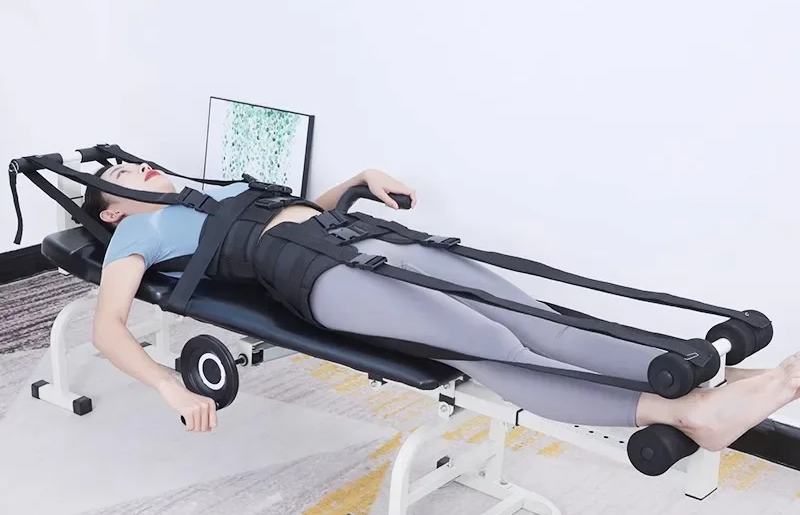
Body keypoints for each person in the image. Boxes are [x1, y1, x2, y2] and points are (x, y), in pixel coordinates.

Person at [84, 161, 800, 449]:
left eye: (133, 160)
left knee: (538, 320)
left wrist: (356, 180)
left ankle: (702, 376)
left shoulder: (209, 186)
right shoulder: (136, 234)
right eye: (118, 174)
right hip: (321, 282)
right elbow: (107, 329)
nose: (136, 168)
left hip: (366, 240)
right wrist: (169, 385)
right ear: (112, 212)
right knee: (496, 349)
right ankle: (685, 413)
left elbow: (297, 212)